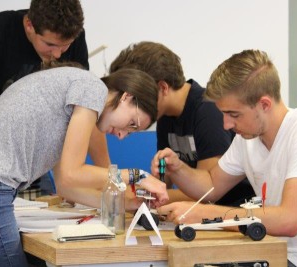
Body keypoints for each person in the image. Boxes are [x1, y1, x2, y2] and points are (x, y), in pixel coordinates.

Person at [0, 65, 168, 267]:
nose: (122, 135)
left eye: (131, 132)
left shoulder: (73, 102)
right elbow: (73, 173)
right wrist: (138, 175)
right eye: (131, 123)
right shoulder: (93, 88)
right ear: (126, 97)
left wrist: (126, 204)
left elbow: (65, 186)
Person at [152, 49, 297, 266]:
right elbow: (211, 185)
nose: (226, 125)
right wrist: (178, 168)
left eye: (233, 114)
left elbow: (289, 220)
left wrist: (205, 214)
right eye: (224, 114)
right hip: (273, 251)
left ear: (264, 104)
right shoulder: (246, 139)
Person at [0, 0, 110, 180]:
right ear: (29, 25)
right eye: (50, 44)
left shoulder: (76, 40)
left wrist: (110, 180)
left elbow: (86, 106)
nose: (57, 54)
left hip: (23, 153)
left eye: (65, 45)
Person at [109, 41, 255, 205]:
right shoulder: (165, 115)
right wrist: (154, 186)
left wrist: (144, 196)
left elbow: (206, 193)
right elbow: (165, 181)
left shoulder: (208, 110)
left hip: (232, 209)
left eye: (134, 99)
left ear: (162, 88)